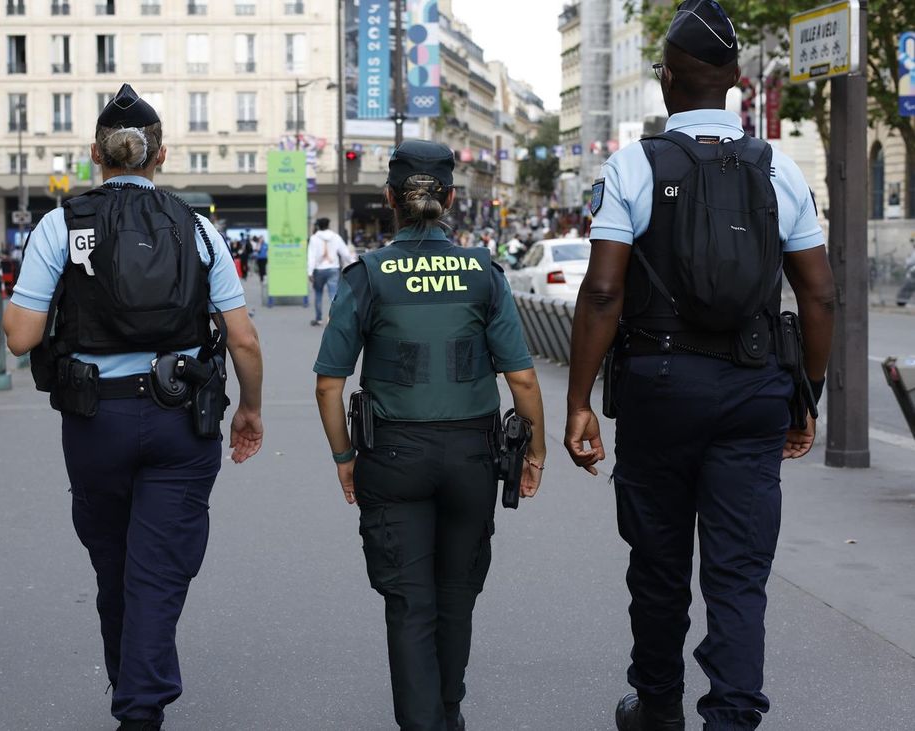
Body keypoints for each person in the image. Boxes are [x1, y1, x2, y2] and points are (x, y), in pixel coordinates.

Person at [562, 3, 836, 728]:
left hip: (659, 388)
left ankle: (656, 707)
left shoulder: (633, 166)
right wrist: (806, 390)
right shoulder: (781, 168)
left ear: (665, 80)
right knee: (739, 572)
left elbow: (603, 291)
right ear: (737, 81)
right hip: (753, 390)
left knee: (657, 563)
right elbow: (819, 292)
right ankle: (733, 715)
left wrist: (578, 400)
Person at [2, 84, 265, 731]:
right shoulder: (199, 228)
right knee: (159, 566)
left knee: (116, 564)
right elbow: (243, 337)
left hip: (97, 422)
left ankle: (135, 695)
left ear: (97, 155)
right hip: (182, 418)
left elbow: (20, 336)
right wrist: (250, 408)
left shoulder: (60, 225)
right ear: (161, 156)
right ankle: (139, 703)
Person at [313, 140, 547, 731]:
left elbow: (328, 385)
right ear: (449, 198)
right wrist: (536, 451)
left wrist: (344, 456)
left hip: (391, 456)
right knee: (457, 596)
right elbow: (520, 377)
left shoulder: (367, 274)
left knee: (409, 602)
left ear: (390, 199)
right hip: (472, 455)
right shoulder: (483, 271)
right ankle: (449, 711)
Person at [307, 217, 351, 326]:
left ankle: (318, 319)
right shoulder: (335, 237)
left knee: (318, 294)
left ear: (318, 226)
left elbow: (311, 256)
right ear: (329, 225)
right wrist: (354, 262)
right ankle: (334, 318)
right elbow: (345, 253)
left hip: (318, 270)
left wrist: (310, 272)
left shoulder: (313, 238)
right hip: (333, 268)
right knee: (333, 294)